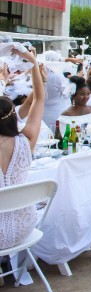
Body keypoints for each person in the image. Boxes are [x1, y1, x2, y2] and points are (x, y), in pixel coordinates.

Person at [0, 48, 45, 250]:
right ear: (13, 116)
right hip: (24, 228)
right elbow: (39, 99)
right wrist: (33, 63)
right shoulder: (26, 140)